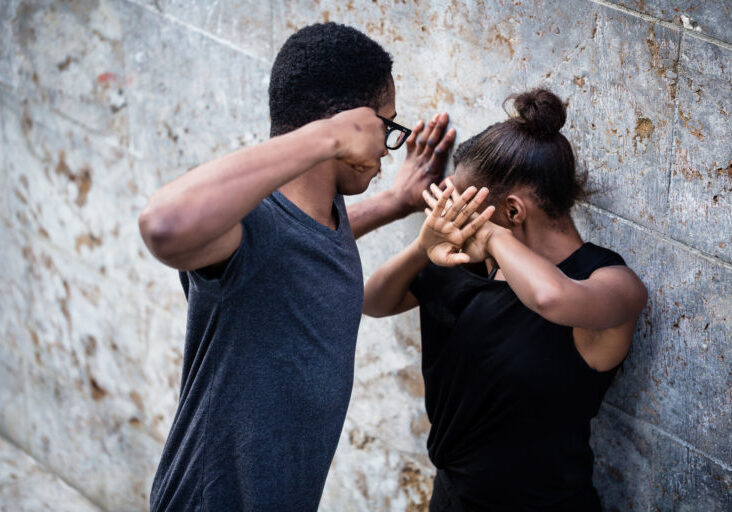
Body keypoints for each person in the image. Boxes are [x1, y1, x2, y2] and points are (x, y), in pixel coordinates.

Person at [138, 22, 455, 511]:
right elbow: (162, 225)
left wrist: (396, 201)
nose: (386, 148)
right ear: (351, 127)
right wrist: (329, 137)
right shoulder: (247, 222)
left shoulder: (325, 213)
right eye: (385, 127)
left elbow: (302, 247)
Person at [363, 88, 648, 511]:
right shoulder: (467, 265)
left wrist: (492, 235)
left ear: (512, 213)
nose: (455, 220)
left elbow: (551, 298)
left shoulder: (611, 283)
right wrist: (424, 245)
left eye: (465, 209)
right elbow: (373, 301)